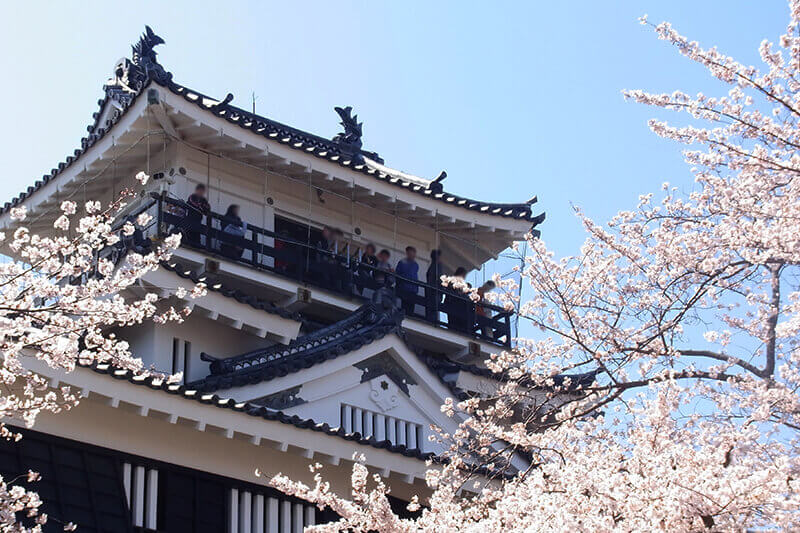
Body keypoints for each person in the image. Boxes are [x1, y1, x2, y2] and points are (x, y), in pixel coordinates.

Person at [445, 267, 472, 332]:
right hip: (454, 305)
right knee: (454, 324)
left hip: (459, 306)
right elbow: (454, 292)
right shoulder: (453, 282)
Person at [395, 246, 420, 315]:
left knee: (411, 308)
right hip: (404, 288)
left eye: (412, 253)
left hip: (413, 290)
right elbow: (398, 274)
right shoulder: (402, 262)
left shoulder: (415, 265)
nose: (411, 254)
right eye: (409, 252)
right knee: (404, 307)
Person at [425, 249, 444, 322]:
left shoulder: (432, 266)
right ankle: (433, 322)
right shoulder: (437, 266)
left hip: (432, 291)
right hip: (435, 291)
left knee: (432, 308)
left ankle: (432, 320)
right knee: (434, 308)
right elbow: (438, 278)